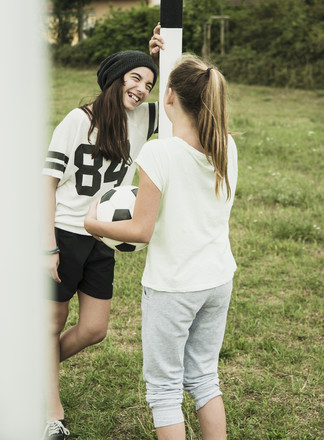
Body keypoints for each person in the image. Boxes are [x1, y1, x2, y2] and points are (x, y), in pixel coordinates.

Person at [84, 52, 238, 440]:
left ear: (168, 96)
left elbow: (140, 229)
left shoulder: (160, 152)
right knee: (205, 377)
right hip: (218, 280)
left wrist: (93, 223)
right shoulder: (226, 147)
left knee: (165, 389)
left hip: (173, 287)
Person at [42, 49, 158, 440]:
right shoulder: (79, 120)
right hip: (63, 233)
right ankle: (51, 414)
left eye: (149, 84)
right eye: (136, 78)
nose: (143, 89)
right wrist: (46, 248)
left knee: (94, 329)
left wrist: (164, 49)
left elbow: (184, 93)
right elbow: (48, 184)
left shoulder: (144, 120)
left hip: (103, 237)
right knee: (51, 324)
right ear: (116, 77)